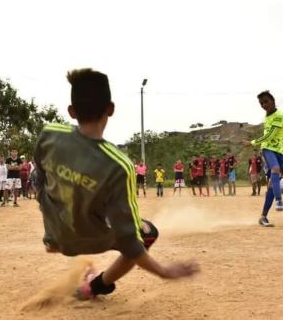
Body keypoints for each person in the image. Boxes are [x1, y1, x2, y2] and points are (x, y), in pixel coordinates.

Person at [33, 68, 199, 300]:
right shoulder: (119, 165)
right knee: (147, 232)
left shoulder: (49, 135)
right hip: (93, 239)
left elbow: (39, 180)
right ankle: (94, 287)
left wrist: (51, 231)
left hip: (58, 238)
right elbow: (130, 241)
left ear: (71, 111)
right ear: (110, 109)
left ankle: (75, 257)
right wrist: (164, 271)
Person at [242, 91, 283, 227]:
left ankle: (263, 217)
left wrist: (251, 142)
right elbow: (267, 138)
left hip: (282, 151)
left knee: (271, 185)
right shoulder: (267, 116)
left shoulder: (279, 115)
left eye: (266, 102)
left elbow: (270, 134)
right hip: (268, 149)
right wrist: (254, 143)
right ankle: (279, 200)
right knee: (275, 170)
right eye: (261, 103)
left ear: (273, 100)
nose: (264, 105)